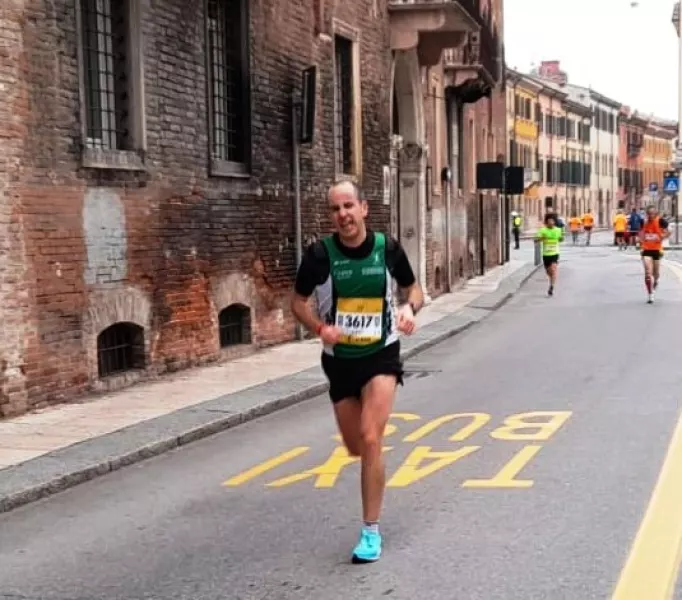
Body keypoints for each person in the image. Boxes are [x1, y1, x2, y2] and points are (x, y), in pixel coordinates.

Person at [291, 180, 424, 564]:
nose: (343, 215)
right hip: (339, 361)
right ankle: (371, 478)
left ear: (364, 208)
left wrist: (409, 310)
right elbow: (297, 302)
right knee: (354, 446)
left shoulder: (388, 249)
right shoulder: (319, 255)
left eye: (349, 206)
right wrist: (319, 327)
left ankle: (370, 530)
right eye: (335, 209)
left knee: (370, 438)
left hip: (381, 353)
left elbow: (413, 289)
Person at [639, 205, 670, 304]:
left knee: (655, 274)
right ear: (647, 214)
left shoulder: (661, 221)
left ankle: (656, 281)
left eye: (652, 214)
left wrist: (661, 237)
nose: (650, 216)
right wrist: (640, 240)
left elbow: (669, 232)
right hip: (646, 249)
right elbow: (640, 233)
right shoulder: (643, 222)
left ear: (655, 213)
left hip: (657, 250)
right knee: (648, 272)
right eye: (649, 214)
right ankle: (650, 294)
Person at [535, 213, 563, 296]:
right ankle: (551, 280)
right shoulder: (542, 230)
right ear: (546, 222)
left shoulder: (558, 230)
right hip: (546, 254)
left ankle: (551, 286)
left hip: (555, 253)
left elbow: (561, 239)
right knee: (548, 272)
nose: (551, 222)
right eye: (549, 221)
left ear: (554, 222)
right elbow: (535, 240)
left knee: (553, 270)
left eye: (552, 221)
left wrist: (561, 238)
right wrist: (541, 238)